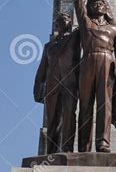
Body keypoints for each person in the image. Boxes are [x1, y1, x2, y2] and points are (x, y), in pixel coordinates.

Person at [74, 0, 116, 152]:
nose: (98, 5)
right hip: (88, 60)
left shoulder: (113, 29)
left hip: (107, 62)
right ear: (89, 7)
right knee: (85, 104)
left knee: (105, 104)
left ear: (106, 9)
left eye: (101, 4)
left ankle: (103, 142)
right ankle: (84, 145)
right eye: (94, 3)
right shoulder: (85, 23)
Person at [33, 13, 80, 153]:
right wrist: (37, 89)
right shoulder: (49, 46)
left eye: (67, 20)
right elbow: (42, 69)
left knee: (69, 117)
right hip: (52, 87)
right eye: (61, 21)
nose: (64, 22)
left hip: (70, 85)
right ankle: (51, 153)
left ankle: (67, 149)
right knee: (52, 120)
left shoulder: (75, 38)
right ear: (56, 25)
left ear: (71, 24)